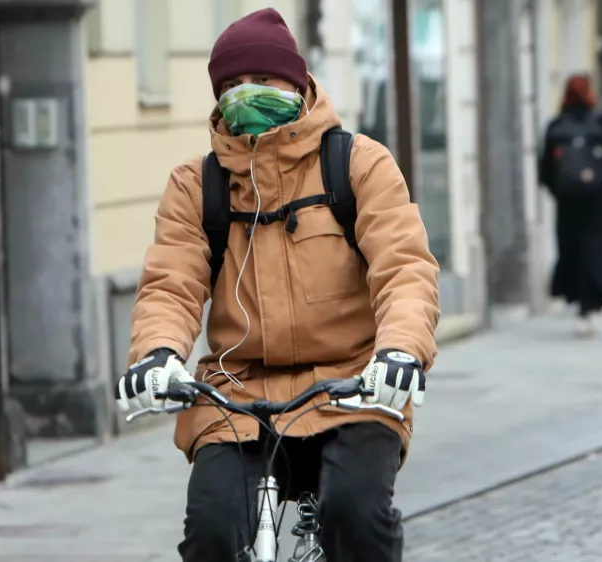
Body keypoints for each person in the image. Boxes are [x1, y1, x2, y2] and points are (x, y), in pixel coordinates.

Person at [112, 9, 440, 561]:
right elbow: (172, 282)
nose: (247, 95)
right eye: (232, 86)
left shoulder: (358, 165)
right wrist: (157, 355)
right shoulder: (197, 186)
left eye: (262, 81)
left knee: (356, 518)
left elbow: (404, 267)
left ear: (296, 83)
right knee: (210, 534)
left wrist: (400, 351)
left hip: (353, 387)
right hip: (236, 392)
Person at [538, 74, 602, 338]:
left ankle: (578, 302)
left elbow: (544, 171)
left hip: (568, 204)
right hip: (596, 203)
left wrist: (561, 192)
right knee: (597, 253)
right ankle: (590, 303)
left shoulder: (556, 126)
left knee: (573, 251)